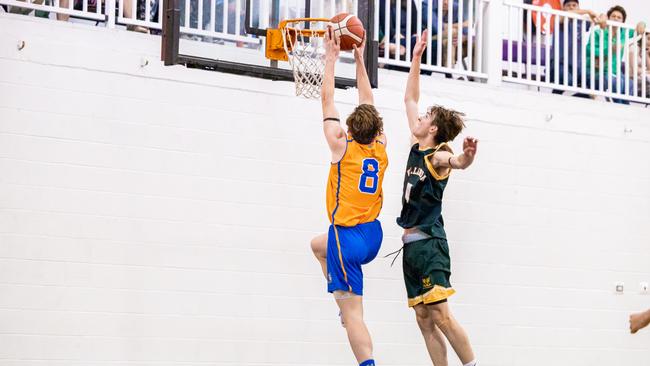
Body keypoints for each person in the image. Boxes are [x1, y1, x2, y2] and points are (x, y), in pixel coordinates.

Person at [309, 28, 388, 366]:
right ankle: (341, 302)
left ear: (350, 131)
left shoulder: (341, 146)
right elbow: (368, 102)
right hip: (372, 233)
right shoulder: (382, 146)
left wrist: (330, 58)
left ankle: (366, 362)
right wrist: (360, 59)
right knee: (316, 246)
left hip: (348, 240)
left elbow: (327, 101)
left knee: (354, 313)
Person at [399, 30, 478, 366]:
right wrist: (416, 58)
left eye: (425, 118)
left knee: (441, 315)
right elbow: (410, 100)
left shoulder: (438, 156)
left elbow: (457, 162)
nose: (418, 117)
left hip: (431, 245)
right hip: (411, 247)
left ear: (433, 129)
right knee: (423, 319)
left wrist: (468, 157)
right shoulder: (418, 145)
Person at [586, 5, 646, 104]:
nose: (616, 19)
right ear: (608, 18)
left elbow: (640, 28)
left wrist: (642, 24)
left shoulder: (624, 32)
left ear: (623, 22)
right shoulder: (598, 32)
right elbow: (589, 50)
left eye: (619, 17)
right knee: (617, 82)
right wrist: (609, 50)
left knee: (629, 84)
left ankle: (624, 110)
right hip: (597, 70)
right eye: (613, 16)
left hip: (615, 72)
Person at [550, 0, 604, 96]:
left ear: (578, 8)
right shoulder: (559, 17)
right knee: (568, 81)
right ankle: (554, 97)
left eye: (574, 5)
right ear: (563, 8)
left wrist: (603, 17)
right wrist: (587, 11)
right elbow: (568, 14)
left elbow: (600, 19)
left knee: (599, 81)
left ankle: (573, 99)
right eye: (568, 5)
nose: (571, 7)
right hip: (559, 64)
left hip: (577, 67)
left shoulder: (582, 22)